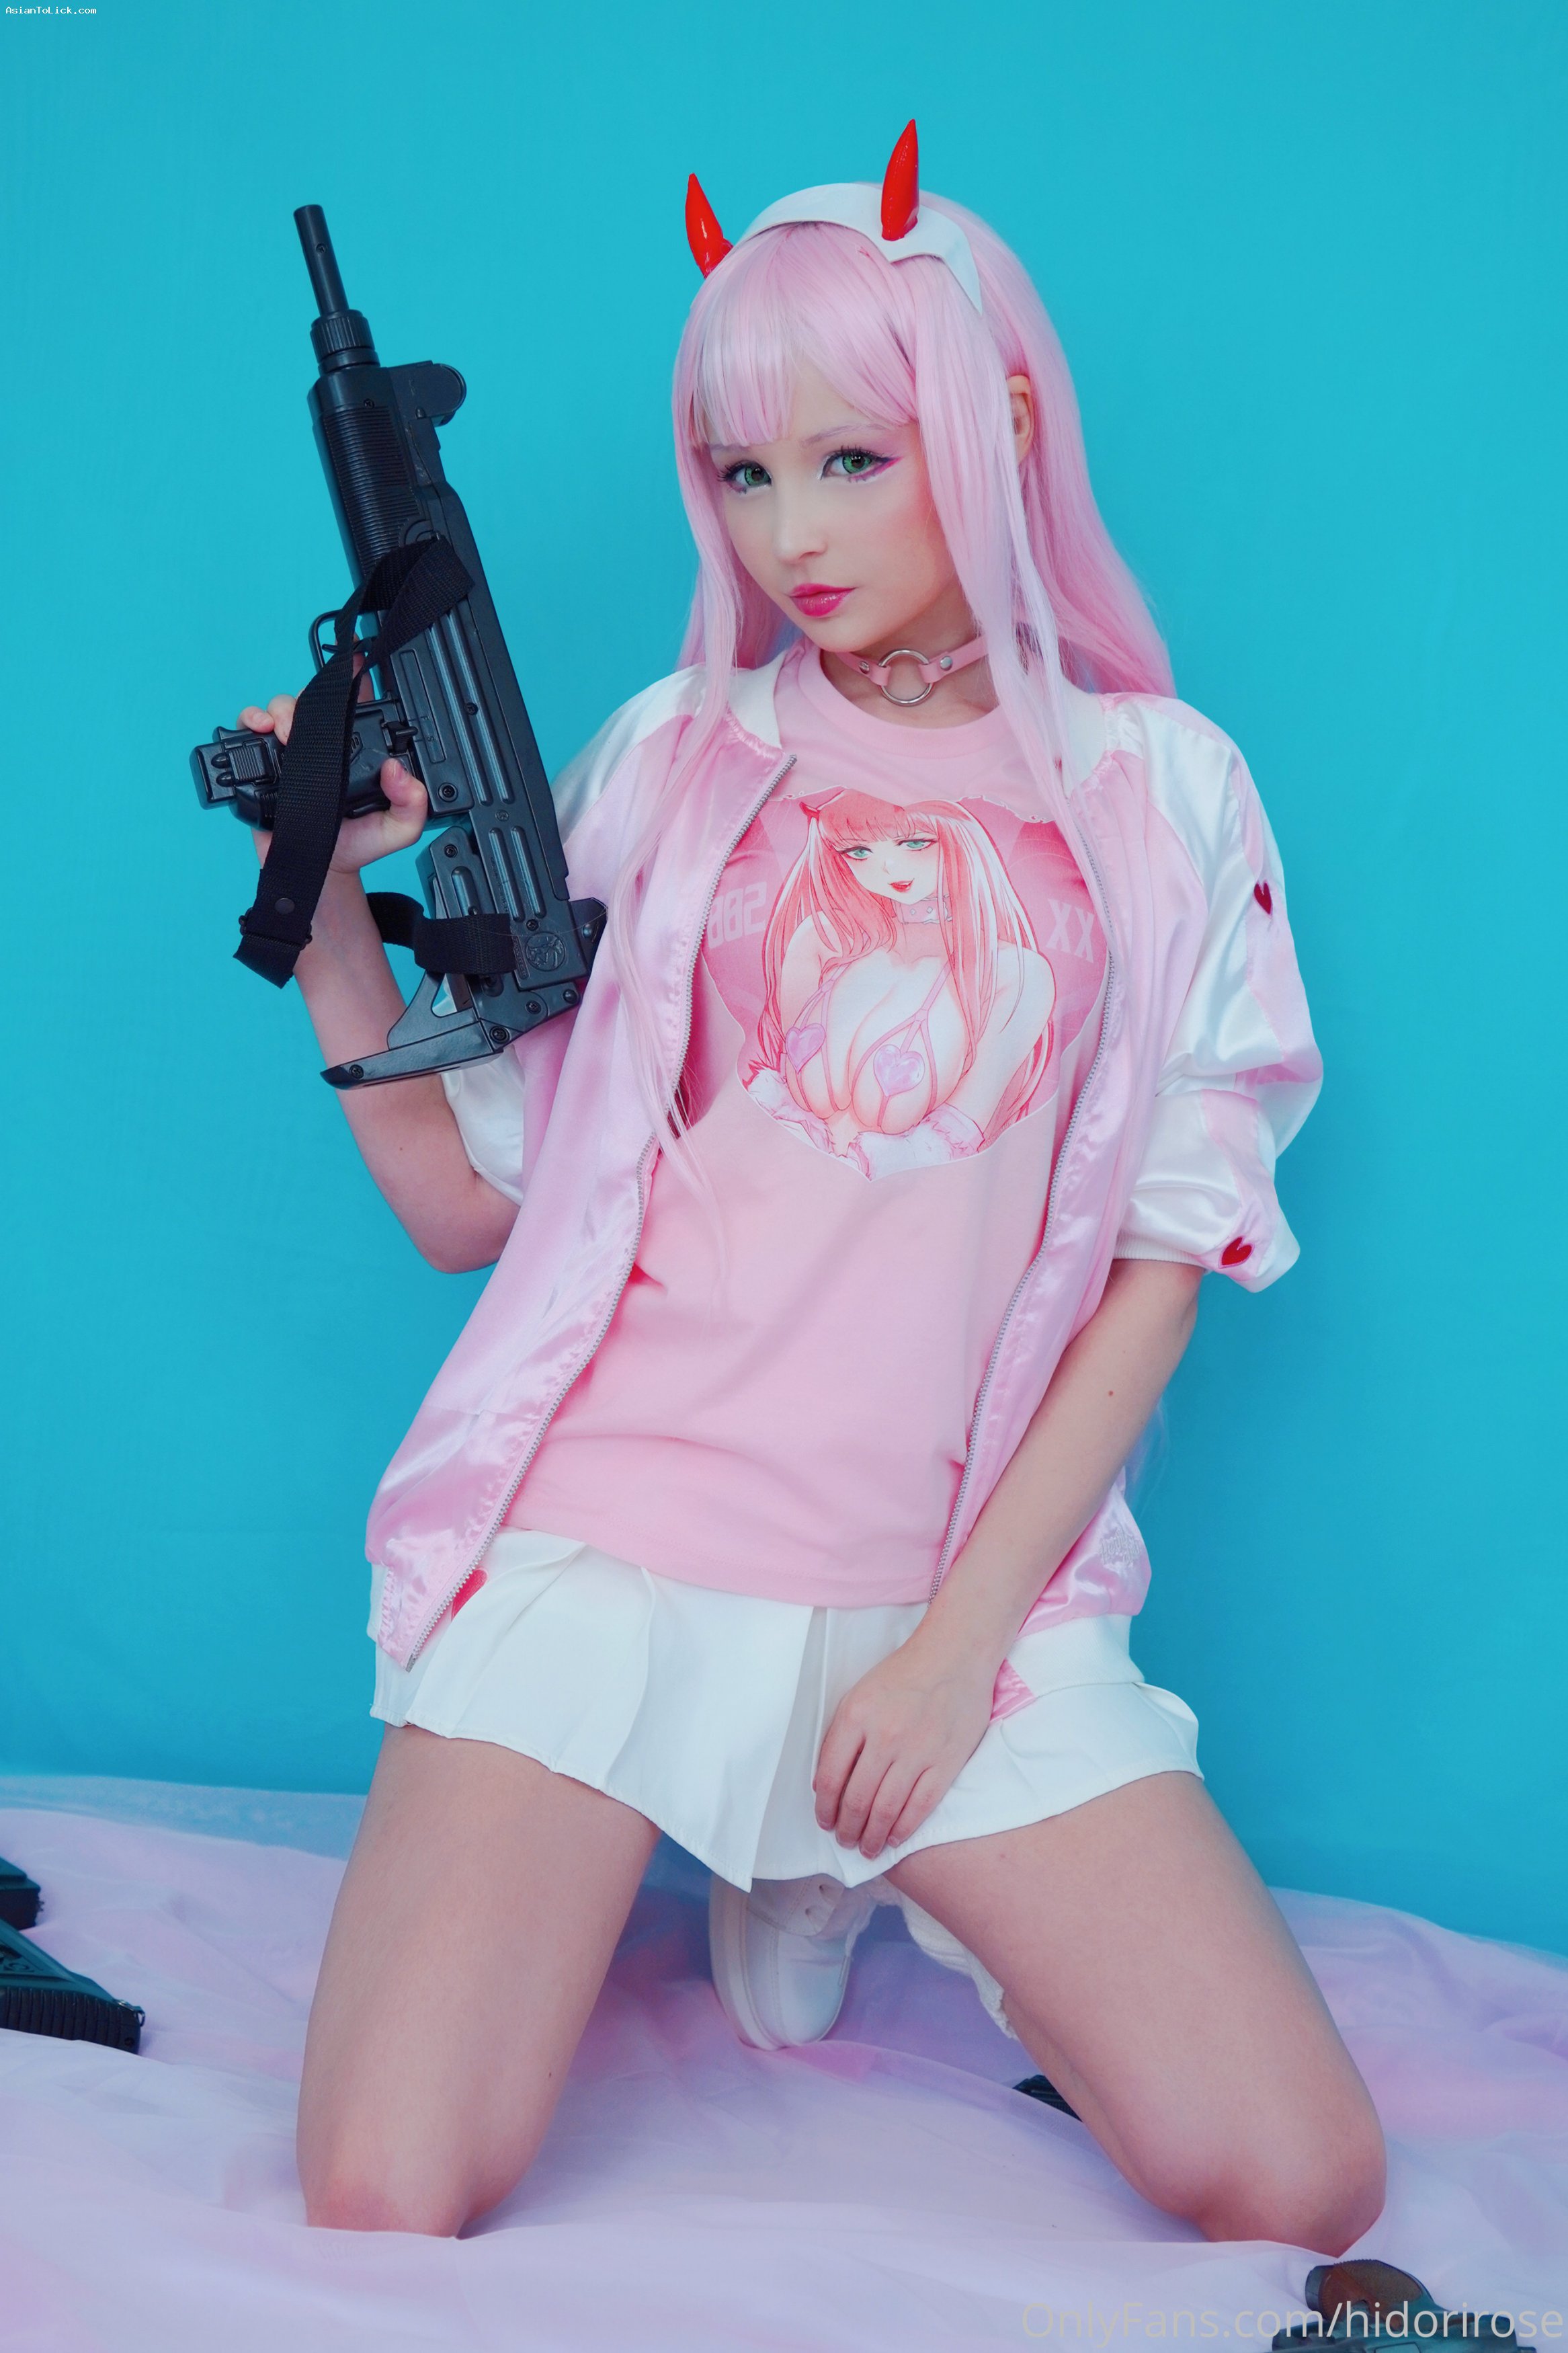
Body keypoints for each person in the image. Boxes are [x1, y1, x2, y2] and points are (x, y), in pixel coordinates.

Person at [237, 129, 1387, 2250]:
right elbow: (469, 1208)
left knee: (1300, 2176)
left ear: (1001, 423)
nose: (792, 532)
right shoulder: (672, 759)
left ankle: (839, 1854)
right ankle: (757, 1821)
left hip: (956, 1582)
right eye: (743, 473)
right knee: (388, 2187)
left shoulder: (1164, 794)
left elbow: (1160, 1268)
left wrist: (953, 1654)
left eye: (853, 459)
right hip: (619, 1542)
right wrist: (316, 906)